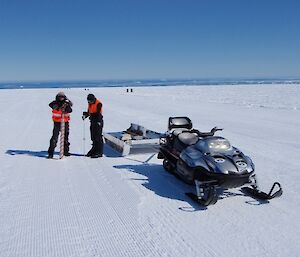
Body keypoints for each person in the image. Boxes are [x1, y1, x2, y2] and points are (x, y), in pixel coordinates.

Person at [47, 92, 73, 158]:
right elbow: (51, 105)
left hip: (65, 123)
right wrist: (57, 106)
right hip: (57, 123)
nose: (61, 98)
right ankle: (50, 153)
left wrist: (67, 106)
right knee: (54, 138)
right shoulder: (54, 103)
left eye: (62, 97)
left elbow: (70, 110)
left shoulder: (66, 103)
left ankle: (65, 151)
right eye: (60, 97)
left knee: (65, 137)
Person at [82, 94, 103, 158]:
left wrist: (91, 115)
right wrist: (86, 115)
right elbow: (89, 112)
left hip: (98, 121)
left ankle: (99, 152)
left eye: (90, 101)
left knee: (98, 137)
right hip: (93, 121)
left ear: (93, 99)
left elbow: (98, 113)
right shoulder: (90, 103)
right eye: (88, 101)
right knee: (93, 137)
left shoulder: (99, 103)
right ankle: (94, 149)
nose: (89, 102)